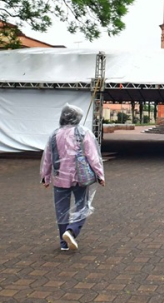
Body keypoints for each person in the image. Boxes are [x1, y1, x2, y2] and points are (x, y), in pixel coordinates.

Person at [40, 104, 105, 252]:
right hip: (80, 177)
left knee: (61, 210)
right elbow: (93, 156)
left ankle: (63, 243)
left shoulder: (54, 134)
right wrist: (100, 175)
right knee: (83, 206)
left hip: (59, 178)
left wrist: (46, 176)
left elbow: (48, 158)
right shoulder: (84, 133)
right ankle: (71, 231)